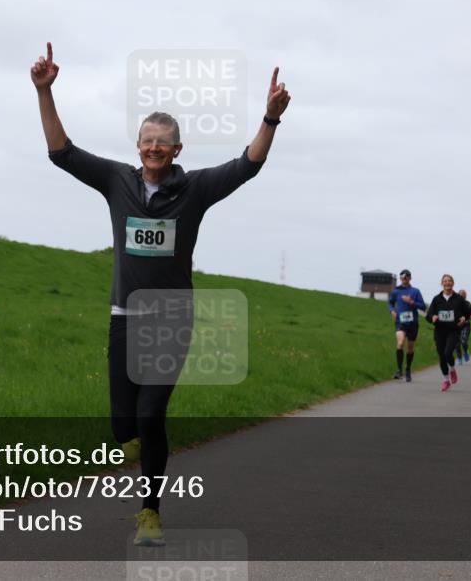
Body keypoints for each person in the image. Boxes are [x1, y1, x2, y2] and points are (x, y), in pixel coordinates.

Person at [33, 42, 291, 546]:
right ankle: (138, 446)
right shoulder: (116, 181)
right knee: (121, 427)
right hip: (124, 318)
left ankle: (150, 512)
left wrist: (270, 119)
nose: (154, 147)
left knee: (151, 416)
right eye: (147, 139)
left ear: (177, 149)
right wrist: (44, 91)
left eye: (163, 142)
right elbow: (60, 151)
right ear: (138, 145)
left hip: (172, 319)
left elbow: (247, 165)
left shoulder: (193, 189)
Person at [425, 274, 469, 392]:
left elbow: (468, 311)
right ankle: (446, 380)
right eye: (445, 281)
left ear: (453, 283)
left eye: (449, 281)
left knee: (448, 352)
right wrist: (432, 317)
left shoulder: (459, 299)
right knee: (441, 356)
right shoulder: (436, 299)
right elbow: (428, 315)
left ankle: (452, 369)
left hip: (453, 330)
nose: (447, 283)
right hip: (440, 331)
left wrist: (464, 318)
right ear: (442, 284)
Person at [387, 269, 426, 382]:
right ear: (400, 278)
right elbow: (390, 302)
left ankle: (408, 369)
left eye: (407, 277)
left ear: (410, 278)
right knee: (400, 343)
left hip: (413, 323)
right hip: (400, 322)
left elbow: (423, 306)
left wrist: (411, 302)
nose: (404, 279)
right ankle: (399, 370)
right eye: (403, 277)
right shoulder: (396, 291)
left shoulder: (415, 291)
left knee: (410, 348)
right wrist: (392, 311)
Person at [454, 289, 471, 364]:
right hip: (457, 326)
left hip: (466, 325)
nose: (462, 296)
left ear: (465, 296)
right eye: (460, 295)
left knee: (463, 341)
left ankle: (466, 351)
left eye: (463, 295)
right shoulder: (454, 304)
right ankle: (459, 357)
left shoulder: (469, 304)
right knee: (457, 343)